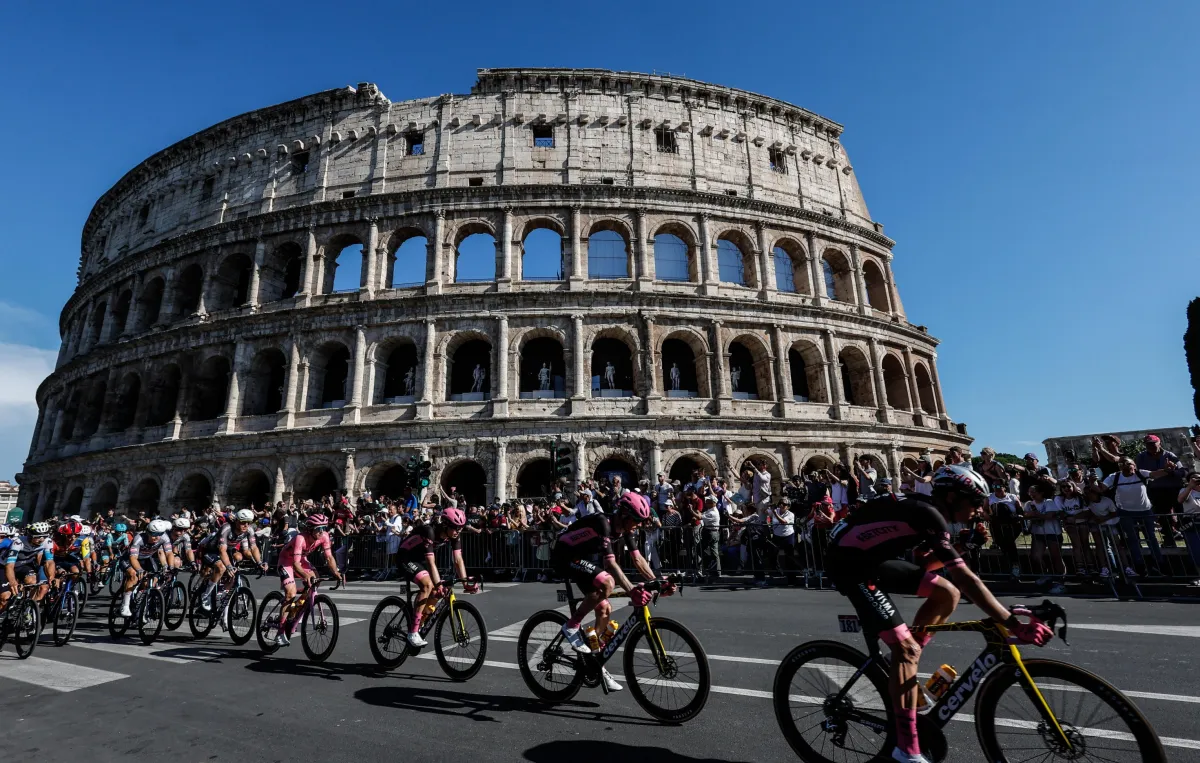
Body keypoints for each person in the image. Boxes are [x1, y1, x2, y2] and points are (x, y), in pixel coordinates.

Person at [824, 465, 1052, 763]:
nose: (979, 509)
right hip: (848, 567)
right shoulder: (928, 513)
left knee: (947, 593)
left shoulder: (932, 516)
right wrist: (1009, 621)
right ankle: (905, 751)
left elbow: (925, 564)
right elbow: (968, 579)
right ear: (954, 497)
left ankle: (905, 658)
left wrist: (961, 546)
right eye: (975, 501)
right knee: (906, 648)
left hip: (873, 560)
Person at [549, 492, 662, 693]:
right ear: (625, 515)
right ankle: (572, 625)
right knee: (607, 582)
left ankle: (596, 662)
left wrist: (656, 582)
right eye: (636, 520)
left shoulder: (625, 529)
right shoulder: (604, 523)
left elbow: (638, 560)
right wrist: (631, 590)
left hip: (583, 558)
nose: (639, 525)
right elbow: (610, 564)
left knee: (604, 609)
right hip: (564, 555)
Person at [394, 507, 476, 648]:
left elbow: (458, 560)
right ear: (445, 525)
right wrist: (438, 585)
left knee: (436, 593)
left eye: (461, 528)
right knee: (427, 585)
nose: (458, 531)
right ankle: (412, 633)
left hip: (421, 560)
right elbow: (431, 562)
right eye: (456, 528)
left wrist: (465, 583)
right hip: (406, 557)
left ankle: (419, 625)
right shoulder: (429, 532)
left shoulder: (455, 535)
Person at [274, 513, 342, 646]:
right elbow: (295, 564)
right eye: (318, 529)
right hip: (287, 561)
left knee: (316, 580)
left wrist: (336, 572)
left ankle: (295, 609)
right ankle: (280, 632)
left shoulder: (324, 536)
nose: (321, 532)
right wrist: (306, 576)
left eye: (323, 528)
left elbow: (329, 557)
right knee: (291, 593)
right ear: (310, 529)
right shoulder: (300, 538)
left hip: (301, 560)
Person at [1103, 457, 1166, 576]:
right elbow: (1102, 488)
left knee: (1151, 538)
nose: (1127, 467)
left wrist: (1167, 470)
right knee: (1133, 540)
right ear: (1120, 467)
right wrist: (1093, 482)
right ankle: (1139, 566)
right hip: (1126, 512)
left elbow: (1155, 474)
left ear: (1134, 465)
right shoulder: (1114, 477)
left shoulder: (1140, 473)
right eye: (1123, 465)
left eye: (1129, 464)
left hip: (1145, 511)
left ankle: (1159, 564)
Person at [197, 508, 268, 609]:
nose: (246, 525)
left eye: (248, 523)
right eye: (243, 522)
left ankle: (222, 599)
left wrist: (259, 562)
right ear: (237, 521)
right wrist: (229, 566)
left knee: (233, 575)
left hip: (228, 550)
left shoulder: (249, 529)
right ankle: (206, 595)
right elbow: (222, 550)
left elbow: (254, 547)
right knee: (222, 567)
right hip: (212, 550)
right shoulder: (227, 528)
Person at [117, 519, 174, 617]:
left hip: (146, 558)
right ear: (148, 532)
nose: (156, 537)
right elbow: (133, 558)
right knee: (133, 575)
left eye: (159, 534)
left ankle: (140, 601)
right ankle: (125, 605)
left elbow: (168, 553)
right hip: (129, 559)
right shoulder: (139, 538)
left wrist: (170, 567)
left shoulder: (164, 537)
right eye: (153, 534)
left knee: (153, 579)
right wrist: (139, 570)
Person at [987, 482, 1024, 580]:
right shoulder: (989, 497)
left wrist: (1019, 516)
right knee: (1003, 544)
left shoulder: (1012, 497)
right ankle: (1012, 566)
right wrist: (986, 516)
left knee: (1009, 542)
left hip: (1011, 524)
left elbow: (1020, 509)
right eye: (994, 486)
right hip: (996, 524)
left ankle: (1015, 567)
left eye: (998, 486)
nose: (996, 488)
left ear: (1004, 487)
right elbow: (984, 509)